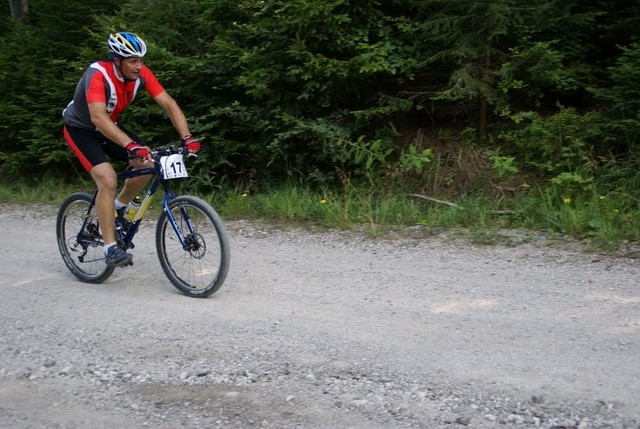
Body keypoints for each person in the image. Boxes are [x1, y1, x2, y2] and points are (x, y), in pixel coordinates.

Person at [62, 32, 201, 267]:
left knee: (147, 163)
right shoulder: (98, 74)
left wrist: (187, 137)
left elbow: (169, 103)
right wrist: (130, 145)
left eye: (141, 61)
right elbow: (98, 117)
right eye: (133, 61)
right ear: (117, 60)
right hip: (81, 129)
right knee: (107, 179)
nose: (139, 66)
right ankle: (110, 248)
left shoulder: (141, 74)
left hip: (108, 127)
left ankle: (117, 208)